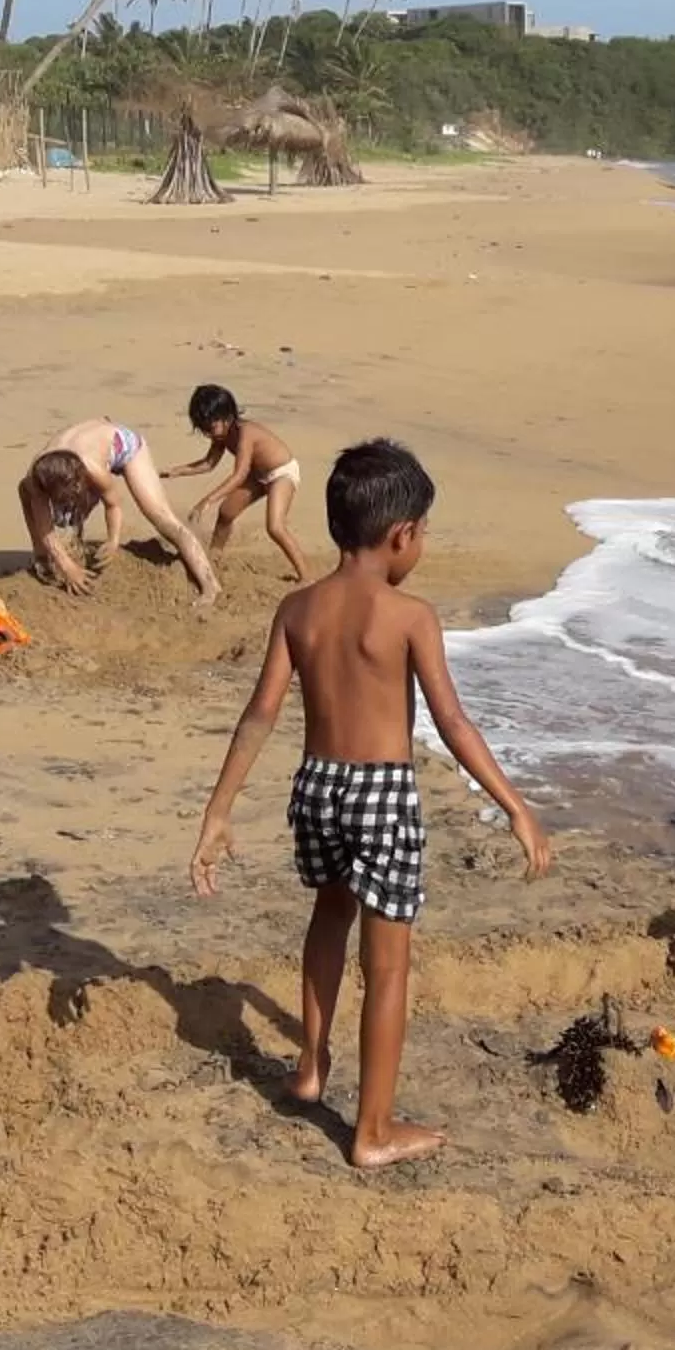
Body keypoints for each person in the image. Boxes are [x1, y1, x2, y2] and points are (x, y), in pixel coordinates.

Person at [190, 438, 552, 1169]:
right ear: (402, 535)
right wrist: (514, 804)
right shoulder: (410, 615)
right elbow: (452, 723)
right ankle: (373, 1131)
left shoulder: (298, 608)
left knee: (329, 918)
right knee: (387, 968)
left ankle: (310, 1070)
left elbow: (260, 713)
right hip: (381, 793)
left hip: (317, 785)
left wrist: (219, 810)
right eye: (423, 532)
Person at [19, 415, 220, 608]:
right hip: (90, 436)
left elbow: (113, 504)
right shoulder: (35, 480)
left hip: (121, 443)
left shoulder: (92, 469)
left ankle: (210, 584)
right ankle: (42, 559)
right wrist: (66, 566)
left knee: (162, 518)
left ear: (81, 479)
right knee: (24, 491)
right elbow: (45, 527)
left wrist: (113, 540)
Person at [170, 383, 312, 584]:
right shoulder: (222, 435)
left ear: (227, 417)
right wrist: (176, 471)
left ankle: (306, 577)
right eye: (204, 430)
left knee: (275, 526)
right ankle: (215, 556)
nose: (209, 435)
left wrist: (206, 501)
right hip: (258, 475)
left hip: (282, 473)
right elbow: (208, 464)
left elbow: (238, 476)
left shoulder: (247, 433)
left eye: (210, 428)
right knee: (227, 512)